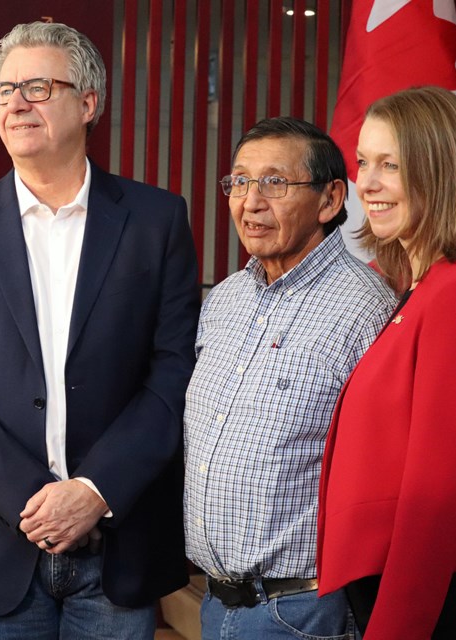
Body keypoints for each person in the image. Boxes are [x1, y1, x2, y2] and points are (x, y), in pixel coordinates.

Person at [0, 21, 201, 639]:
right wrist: (33, 499)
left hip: (117, 542)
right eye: (4, 89)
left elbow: (174, 371)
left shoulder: (156, 220)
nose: (14, 103)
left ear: (88, 103)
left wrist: (95, 490)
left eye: (37, 87)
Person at [316, 86, 456, 639]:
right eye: (363, 162)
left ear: (441, 173)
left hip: (430, 598)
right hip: (400, 588)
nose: (367, 183)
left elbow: (439, 492)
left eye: (391, 165)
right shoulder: (424, 289)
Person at [183, 117, 396, 639]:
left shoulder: (367, 311)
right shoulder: (226, 299)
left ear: (329, 201)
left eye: (274, 183)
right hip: (213, 604)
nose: (250, 201)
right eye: (239, 182)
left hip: (299, 612)